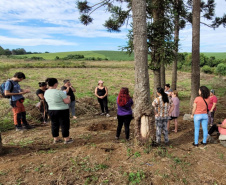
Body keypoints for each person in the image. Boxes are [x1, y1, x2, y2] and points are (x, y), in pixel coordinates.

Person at [44, 78, 73, 144]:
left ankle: (56, 139)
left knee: (54, 124)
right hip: (62, 110)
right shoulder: (59, 92)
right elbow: (67, 101)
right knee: (64, 124)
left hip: (51, 110)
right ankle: (66, 139)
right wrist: (68, 97)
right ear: (55, 84)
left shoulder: (46, 92)